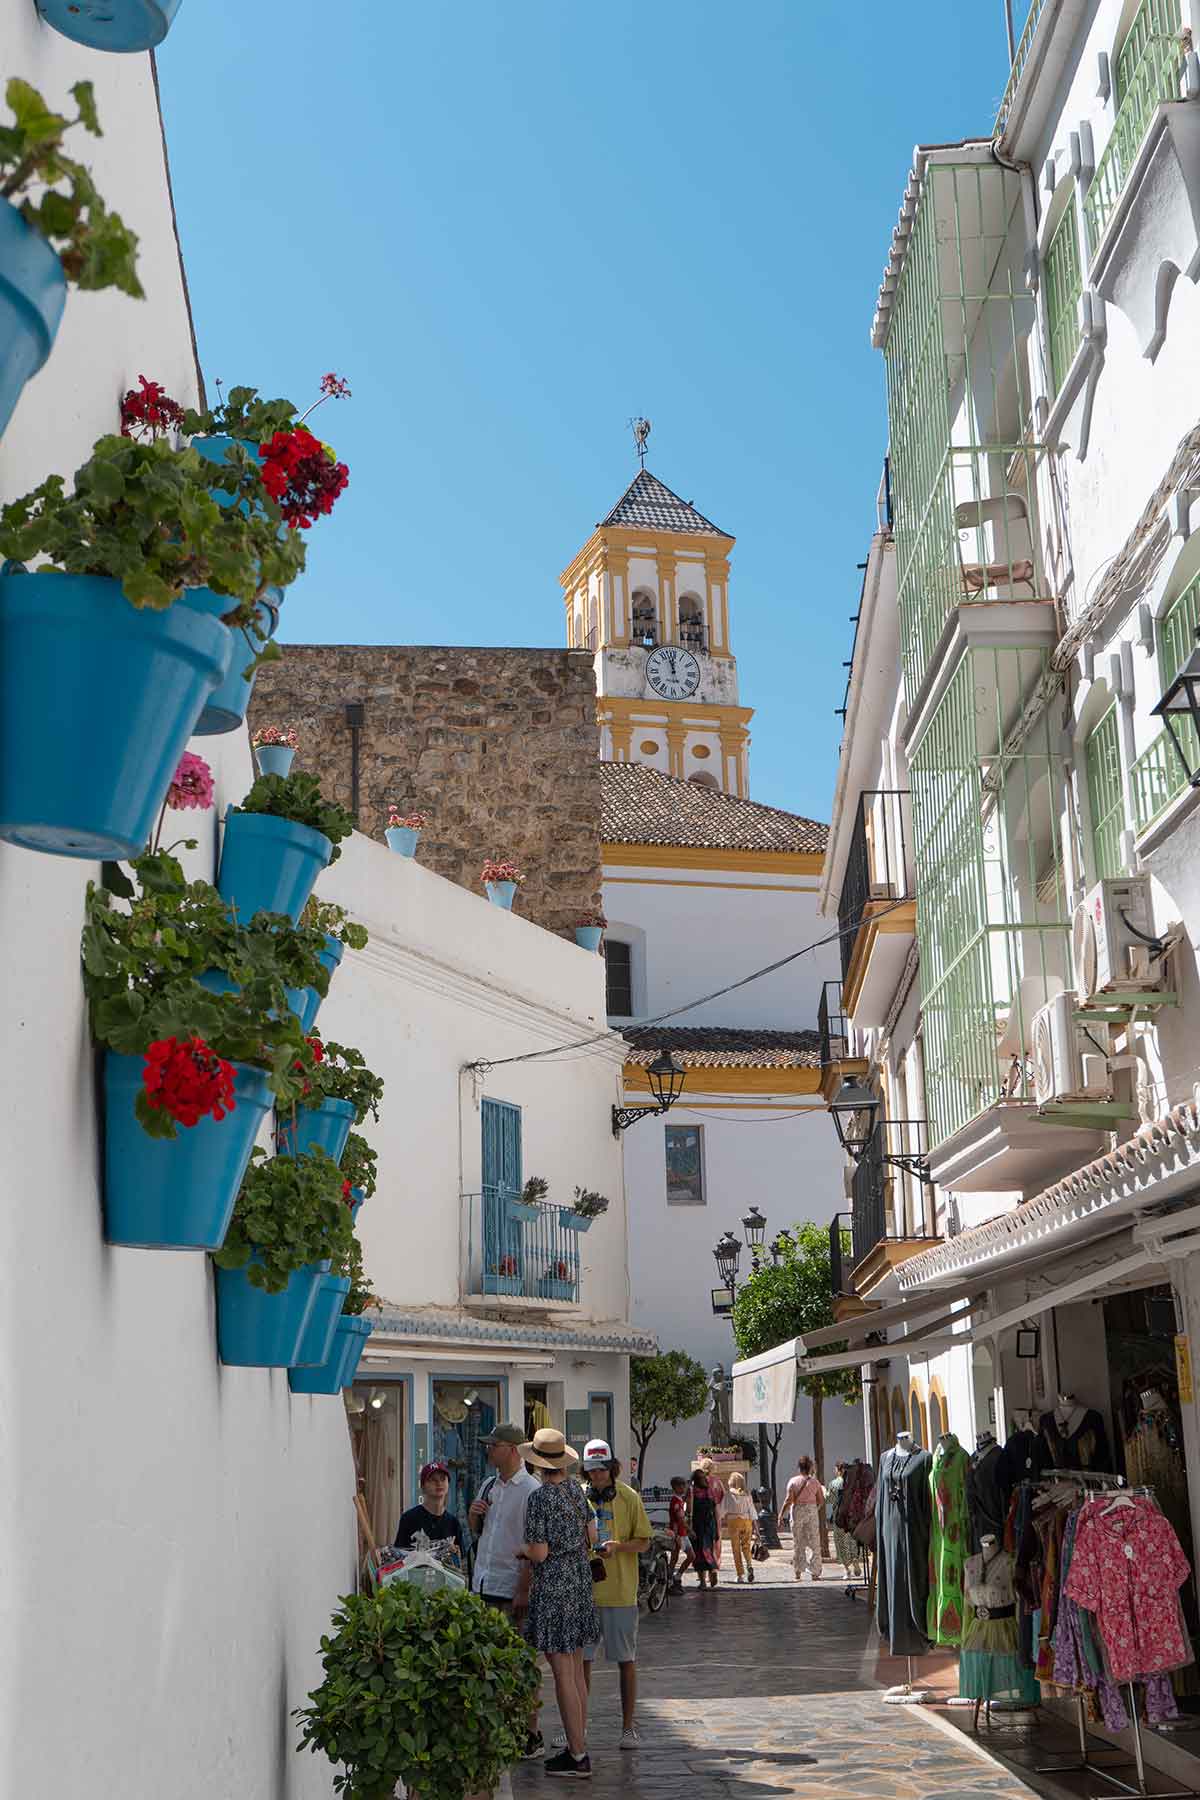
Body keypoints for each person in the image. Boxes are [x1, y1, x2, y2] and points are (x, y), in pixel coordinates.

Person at [519, 1427, 599, 1780]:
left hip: (554, 1586)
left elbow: (539, 1551)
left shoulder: (539, 1499)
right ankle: (577, 1745)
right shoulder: (575, 1491)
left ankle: (578, 1753)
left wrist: (521, 1550)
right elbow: (592, 1535)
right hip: (580, 1581)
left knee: (562, 1672)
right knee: (576, 1667)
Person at [468, 1422, 542, 1760]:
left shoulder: (530, 1490)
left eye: (493, 1445)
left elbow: (531, 1544)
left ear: (511, 1449)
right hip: (483, 1582)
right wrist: (473, 1517)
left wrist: (523, 1589)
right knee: (487, 1664)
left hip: (511, 1587)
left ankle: (530, 1733)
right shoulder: (488, 1485)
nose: (488, 1450)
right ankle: (497, 1733)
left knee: (520, 1664)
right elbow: (480, 1533)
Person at [581, 1440, 651, 1749]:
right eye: (591, 1470)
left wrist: (618, 1547)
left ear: (612, 1468)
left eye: (601, 1469)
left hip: (620, 1591)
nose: (596, 1476)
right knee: (580, 1661)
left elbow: (644, 1541)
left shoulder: (629, 1497)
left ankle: (627, 1727)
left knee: (626, 1660)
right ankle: (577, 1727)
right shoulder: (578, 1498)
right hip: (583, 1592)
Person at [394, 1461, 468, 1571]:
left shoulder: (453, 1522)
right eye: (433, 1480)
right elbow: (398, 1556)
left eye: (443, 1479)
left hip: (445, 1583)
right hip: (415, 1580)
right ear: (423, 1486)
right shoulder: (409, 1518)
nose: (439, 1483)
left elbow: (461, 1561)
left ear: (448, 1484)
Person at [779, 1455, 825, 1582]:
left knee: (798, 1542)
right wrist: (814, 1509)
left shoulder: (793, 1481)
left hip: (797, 1510)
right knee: (814, 1542)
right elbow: (821, 1500)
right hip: (811, 1511)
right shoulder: (815, 1482)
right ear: (810, 1467)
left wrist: (781, 1514)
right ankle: (815, 1572)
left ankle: (798, 1572)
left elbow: (788, 1500)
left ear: (799, 1468)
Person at [826, 1460, 864, 1580]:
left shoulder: (834, 1483)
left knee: (841, 1542)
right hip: (853, 1516)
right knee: (853, 1540)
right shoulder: (854, 1483)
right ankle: (856, 1561)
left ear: (838, 1470)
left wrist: (823, 1492)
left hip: (840, 1517)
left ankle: (847, 1569)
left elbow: (830, 1500)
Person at [722, 1472, 756, 1584]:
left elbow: (722, 1511)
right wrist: (756, 1528)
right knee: (746, 1546)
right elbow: (752, 1512)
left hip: (734, 1522)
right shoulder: (747, 1495)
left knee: (736, 1549)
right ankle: (749, 1565)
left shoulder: (728, 1495)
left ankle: (740, 1574)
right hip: (747, 1521)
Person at [688, 1468, 719, 1589]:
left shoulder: (692, 1492)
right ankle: (712, 1569)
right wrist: (716, 1528)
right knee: (708, 1550)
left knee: (698, 1553)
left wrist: (689, 1527)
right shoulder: (710, 1491)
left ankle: (702, 1582)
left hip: (697, 1525)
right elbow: (715, 1510)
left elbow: (689, 1510)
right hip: (709, 1525)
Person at [667, 1476, 693, 1588]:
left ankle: (675, 1577)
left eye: (684, 1485)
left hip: (682, 1533)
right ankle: (670, 1579)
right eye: (681, 1486)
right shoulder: (675, 1501)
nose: (683, 1488)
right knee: (676, 1557)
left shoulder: (680, 1500)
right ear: (675, 1487)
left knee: (685, 1556)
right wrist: (690, 1530)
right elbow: (680, 1519)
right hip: (678, 1533)